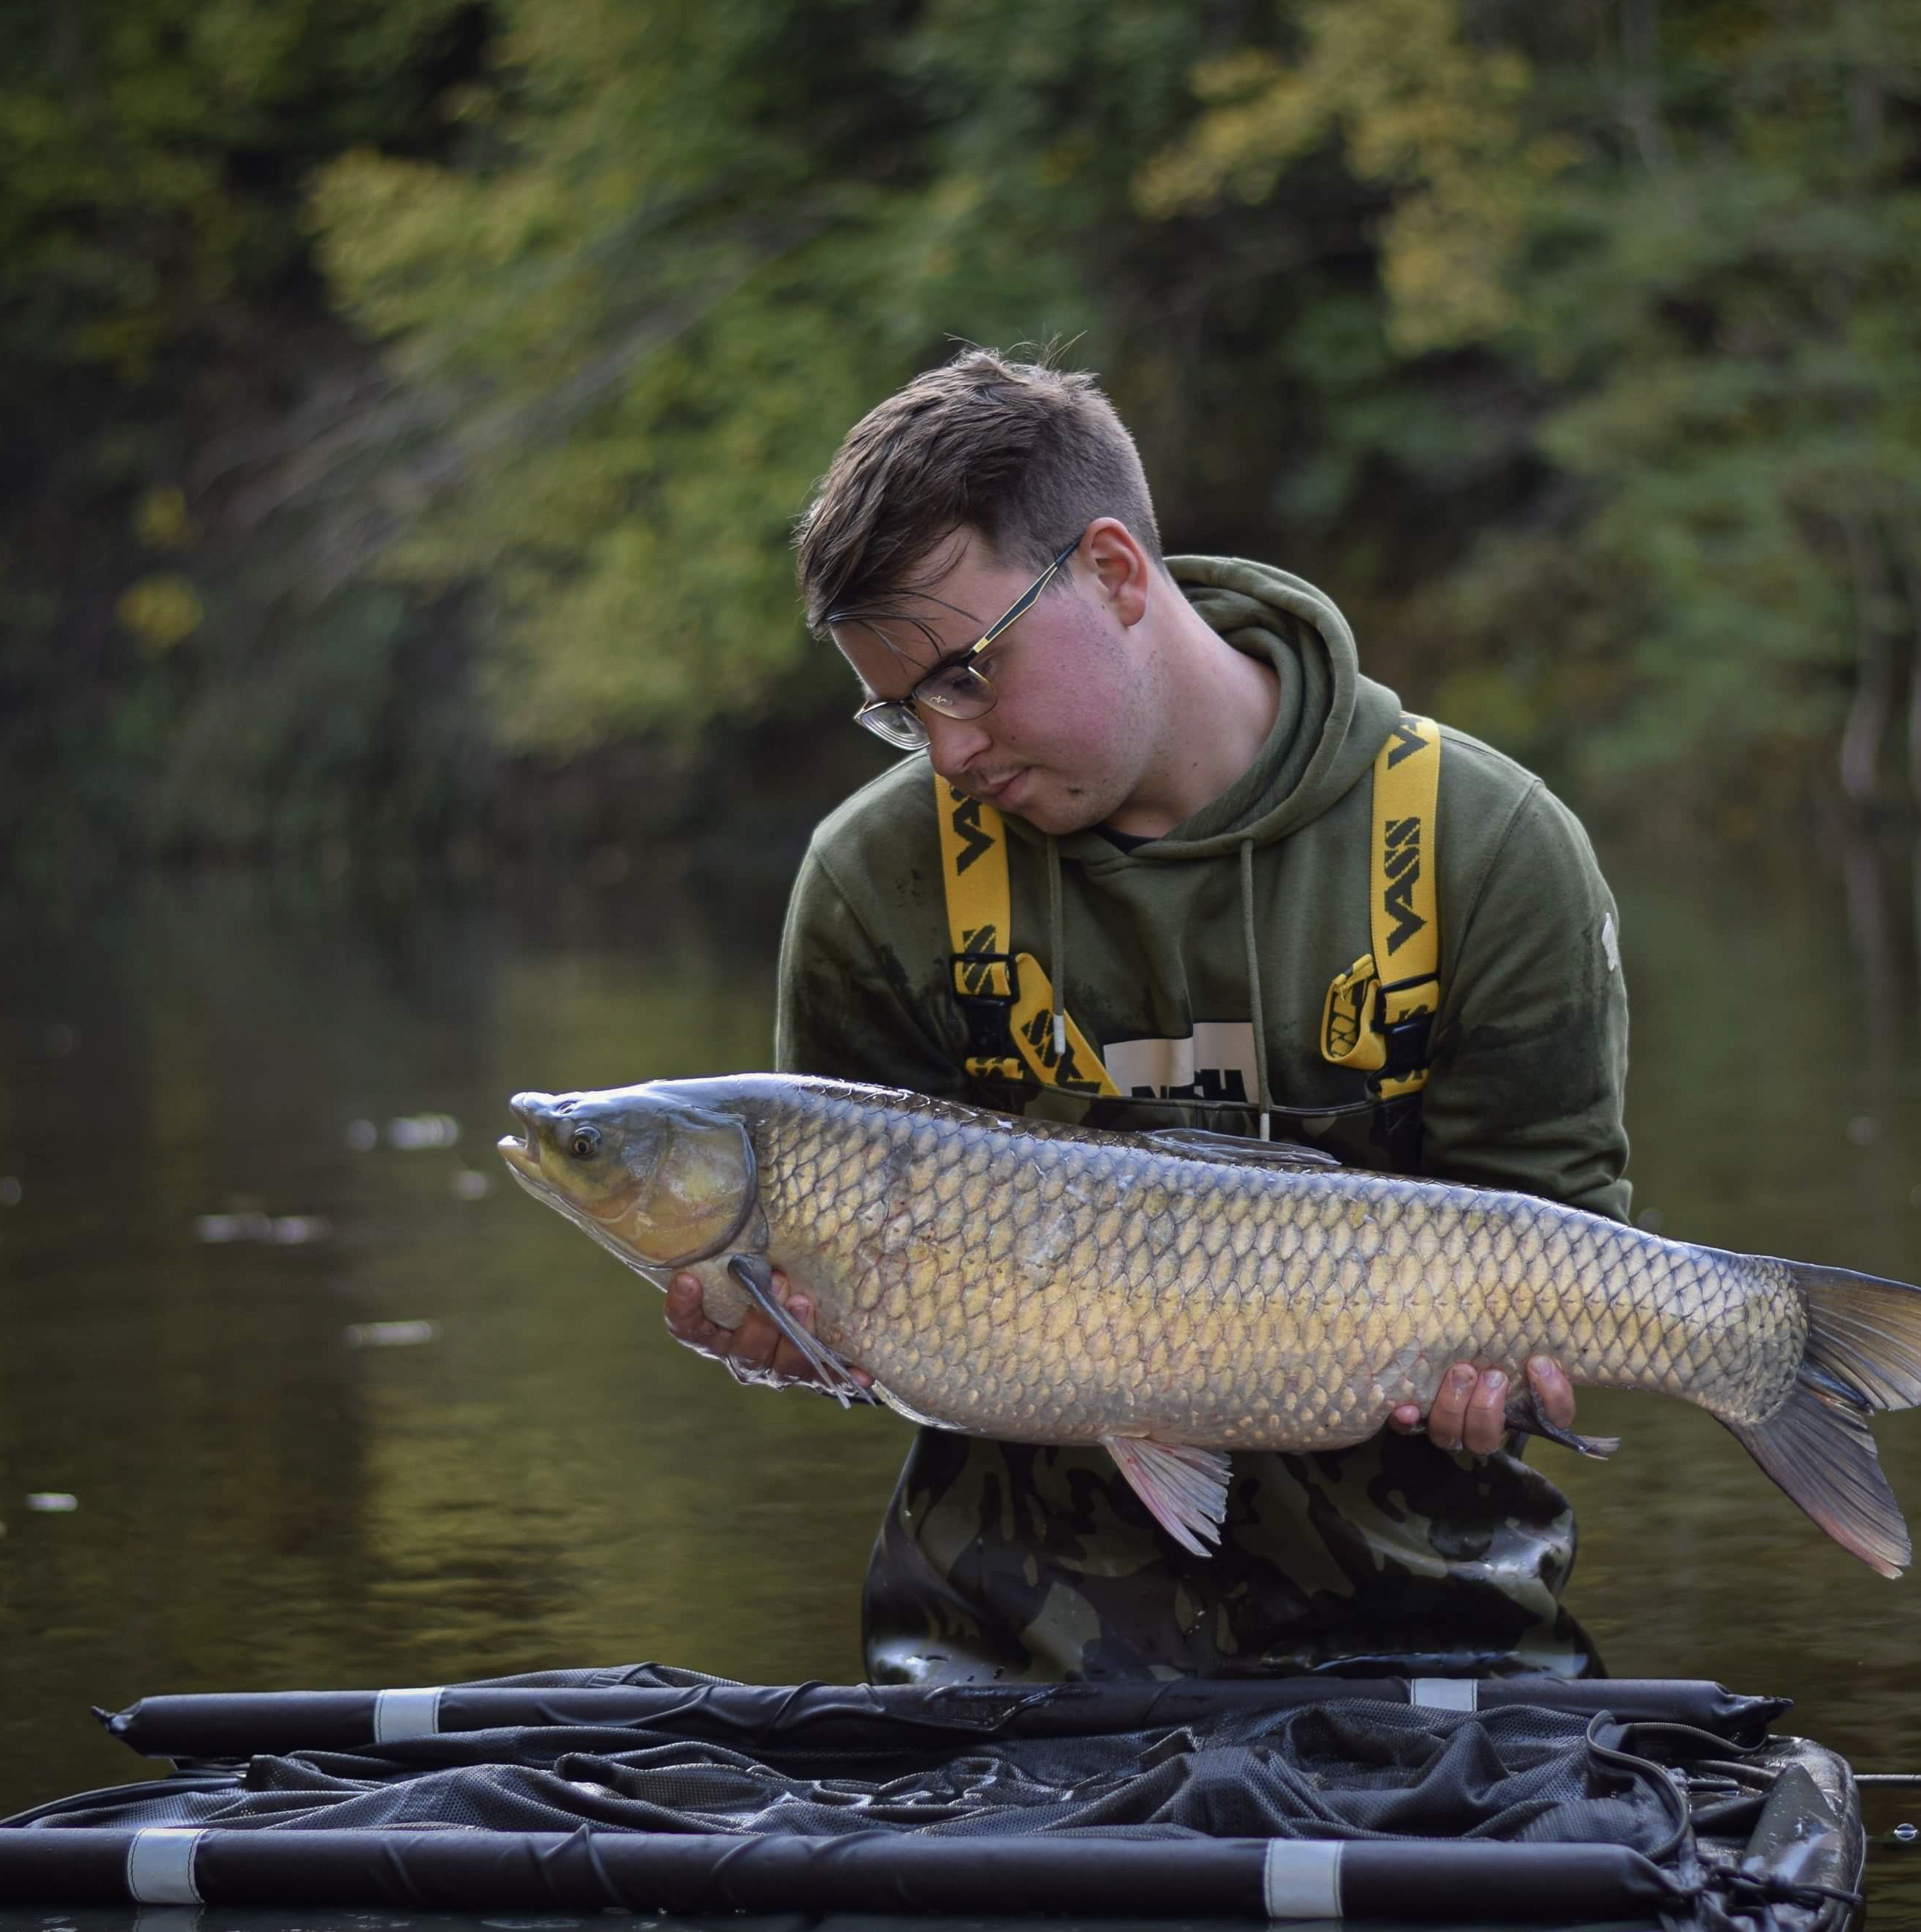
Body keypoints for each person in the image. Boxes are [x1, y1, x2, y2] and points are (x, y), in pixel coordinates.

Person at [667, 348, 1634, 1683]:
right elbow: (870, 1332)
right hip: (1001, 1657)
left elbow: (1562, 1238)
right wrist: (802, 1346)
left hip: (1435, 1635)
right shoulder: (871, 882)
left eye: (966, 675)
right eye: (901, 712)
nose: (948, 750)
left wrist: (1513, 1385)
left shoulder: (1488, 843)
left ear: (1117, 573)